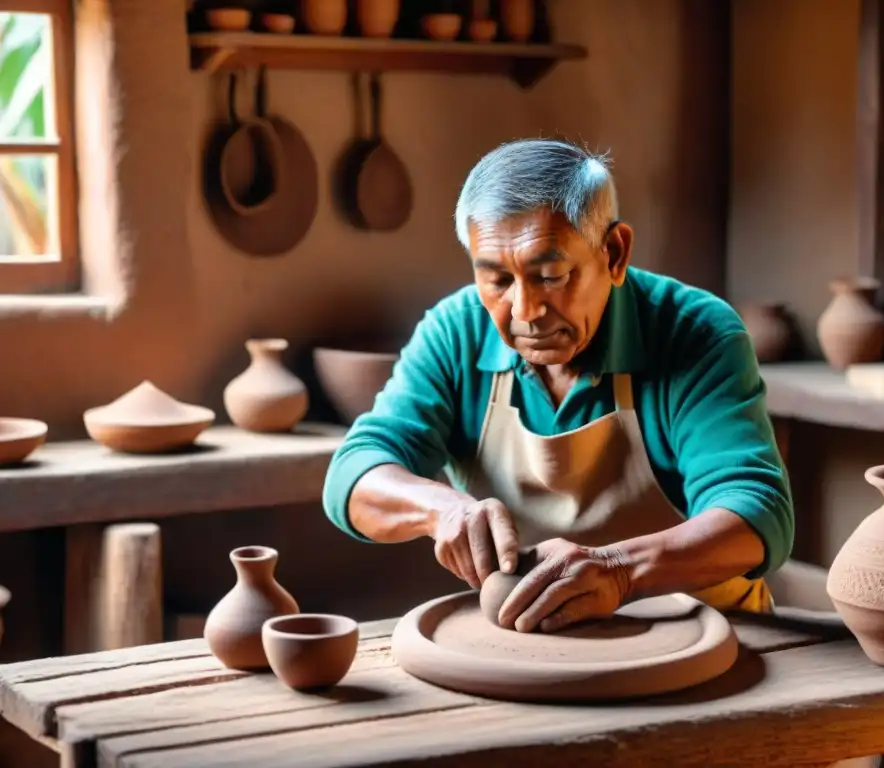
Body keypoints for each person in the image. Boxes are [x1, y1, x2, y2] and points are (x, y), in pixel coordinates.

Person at [322, 138, 794, 633]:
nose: (525, 311)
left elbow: (758, 515)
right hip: (534, 642)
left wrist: (619, 571)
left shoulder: (694, 331)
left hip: (707, 636)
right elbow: (354, 472)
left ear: (614, 253)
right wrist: (441, 509)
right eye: (498, 282)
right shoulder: (455, 332)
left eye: (550, 276)